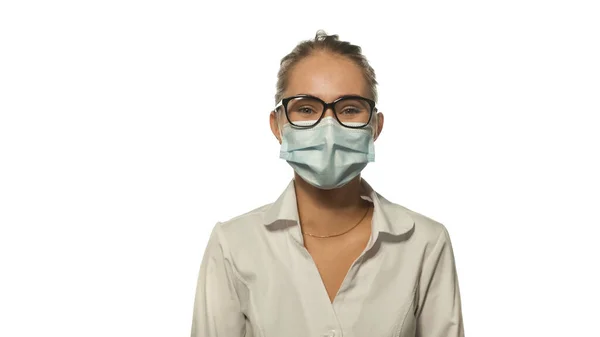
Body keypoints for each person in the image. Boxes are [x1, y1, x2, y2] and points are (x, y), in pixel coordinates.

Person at [191, 30, 464, 337]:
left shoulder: (425, 243)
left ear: (375, 126)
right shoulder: (233, 245)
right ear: (277, 126)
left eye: (349, 109)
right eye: (306, 109)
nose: (329, 126)